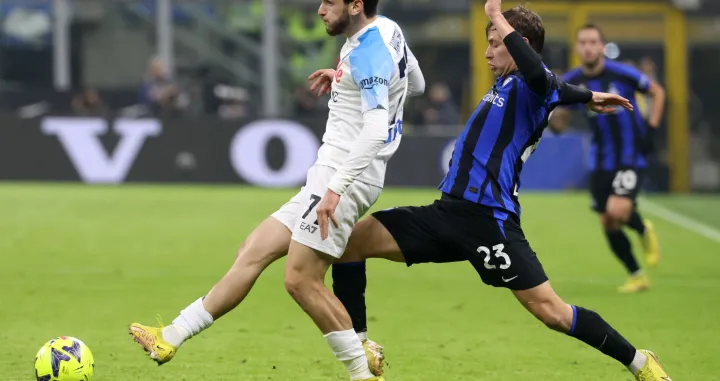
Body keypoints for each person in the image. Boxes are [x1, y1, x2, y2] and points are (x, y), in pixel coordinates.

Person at [328, 2, 672, 380]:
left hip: (489, 220)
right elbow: (559, 86)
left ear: (518, 43)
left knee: (552, 313)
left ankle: (640, 362)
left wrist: (496, 15)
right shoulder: (511, 84)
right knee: (348, 245)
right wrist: (588, 96)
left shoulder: (532, 85)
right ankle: (361, 347)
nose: (488, 52)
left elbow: (545, 80)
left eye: (495, 43)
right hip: (446, 215)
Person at [128, 1, 425, 381]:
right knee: (254, 248)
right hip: (332, 176)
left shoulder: (367, 52)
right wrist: (346, 79)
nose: (319, 9)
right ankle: (171, 336)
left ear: (355, 5)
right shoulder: (388, 31)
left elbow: (374, 130)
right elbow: (414, 84)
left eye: (329, 2)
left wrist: (335, 188)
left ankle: (362, 371)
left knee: (301, 280)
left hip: (343, 179)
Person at [559, 24, 665, 293]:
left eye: (593, 42)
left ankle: (642, 229)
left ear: (602, 47)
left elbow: (657, 92)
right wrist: (555, 120)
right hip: (600, 158)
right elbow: (560, 110)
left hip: (630, 155)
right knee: (607, 220)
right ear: (576, 48)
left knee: (618, 211)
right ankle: (637, 275)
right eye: (583, 42)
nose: (588, 47)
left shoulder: (623, 74)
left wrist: (651, 128)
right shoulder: (573, 81)